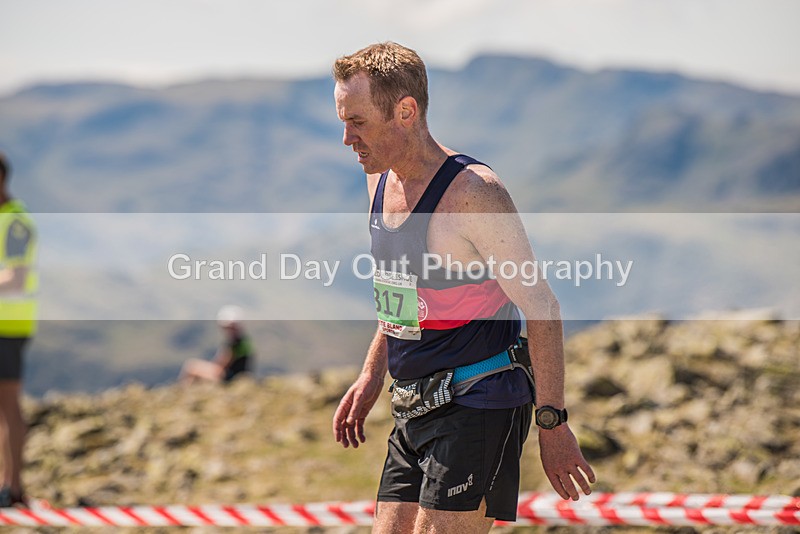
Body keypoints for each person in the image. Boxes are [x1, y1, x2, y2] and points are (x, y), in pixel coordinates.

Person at [330, 43, 595, 533]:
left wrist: (552, 423)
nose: (347, 138)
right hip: (412, 405)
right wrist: (372, 373)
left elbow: (541, 305)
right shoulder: (379, 182)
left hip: (479, 401)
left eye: (359, 122)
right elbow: (402, 292)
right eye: (344, 122)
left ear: (405, 111)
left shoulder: (474, 193)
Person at [0, 152, 38, 507]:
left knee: (8, 405)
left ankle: (13, 488)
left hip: (8, 326)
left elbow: (17, 278)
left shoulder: (14, 222)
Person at [179, 305, 254, 384]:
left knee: (191, 367)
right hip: (234, 377)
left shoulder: (235, 343)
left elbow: (221, 365)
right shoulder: (245, 341)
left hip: (227, 379)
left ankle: (182, 388)